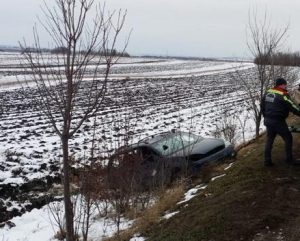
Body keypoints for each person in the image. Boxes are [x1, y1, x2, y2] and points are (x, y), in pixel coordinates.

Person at [261, 77, 300, 166]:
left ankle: (267, 161)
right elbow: (293, 107)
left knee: (270, 139)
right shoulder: (283, 95)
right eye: (285, 85)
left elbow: (262, 105)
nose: (286, 86)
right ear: (282, 85)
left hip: (268, 120)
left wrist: (265, 116)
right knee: (288, 138)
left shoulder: (268, 92)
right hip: (278, 121)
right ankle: (289, 159)